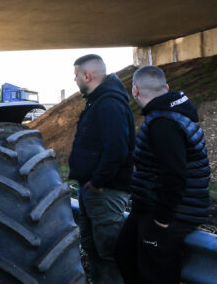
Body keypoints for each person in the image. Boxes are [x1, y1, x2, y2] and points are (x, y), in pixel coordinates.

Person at [115, 65, 210, 284]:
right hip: (152, 207)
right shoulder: (170, 114)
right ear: (166, 87)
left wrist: (163, 218)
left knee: (155, 276)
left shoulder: (163, 123)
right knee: (124, 252)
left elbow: (175, 174)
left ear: (135, 91)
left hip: (170, 212)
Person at [70, 53, 135, 284]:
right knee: (94, 248)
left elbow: (117, 149)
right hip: (95, 189)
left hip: (105, 191)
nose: (75, 80)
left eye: (76, 75)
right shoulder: (99, 101)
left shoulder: (108, 103)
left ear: (87, 75)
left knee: (108, 252)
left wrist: (97, 182)